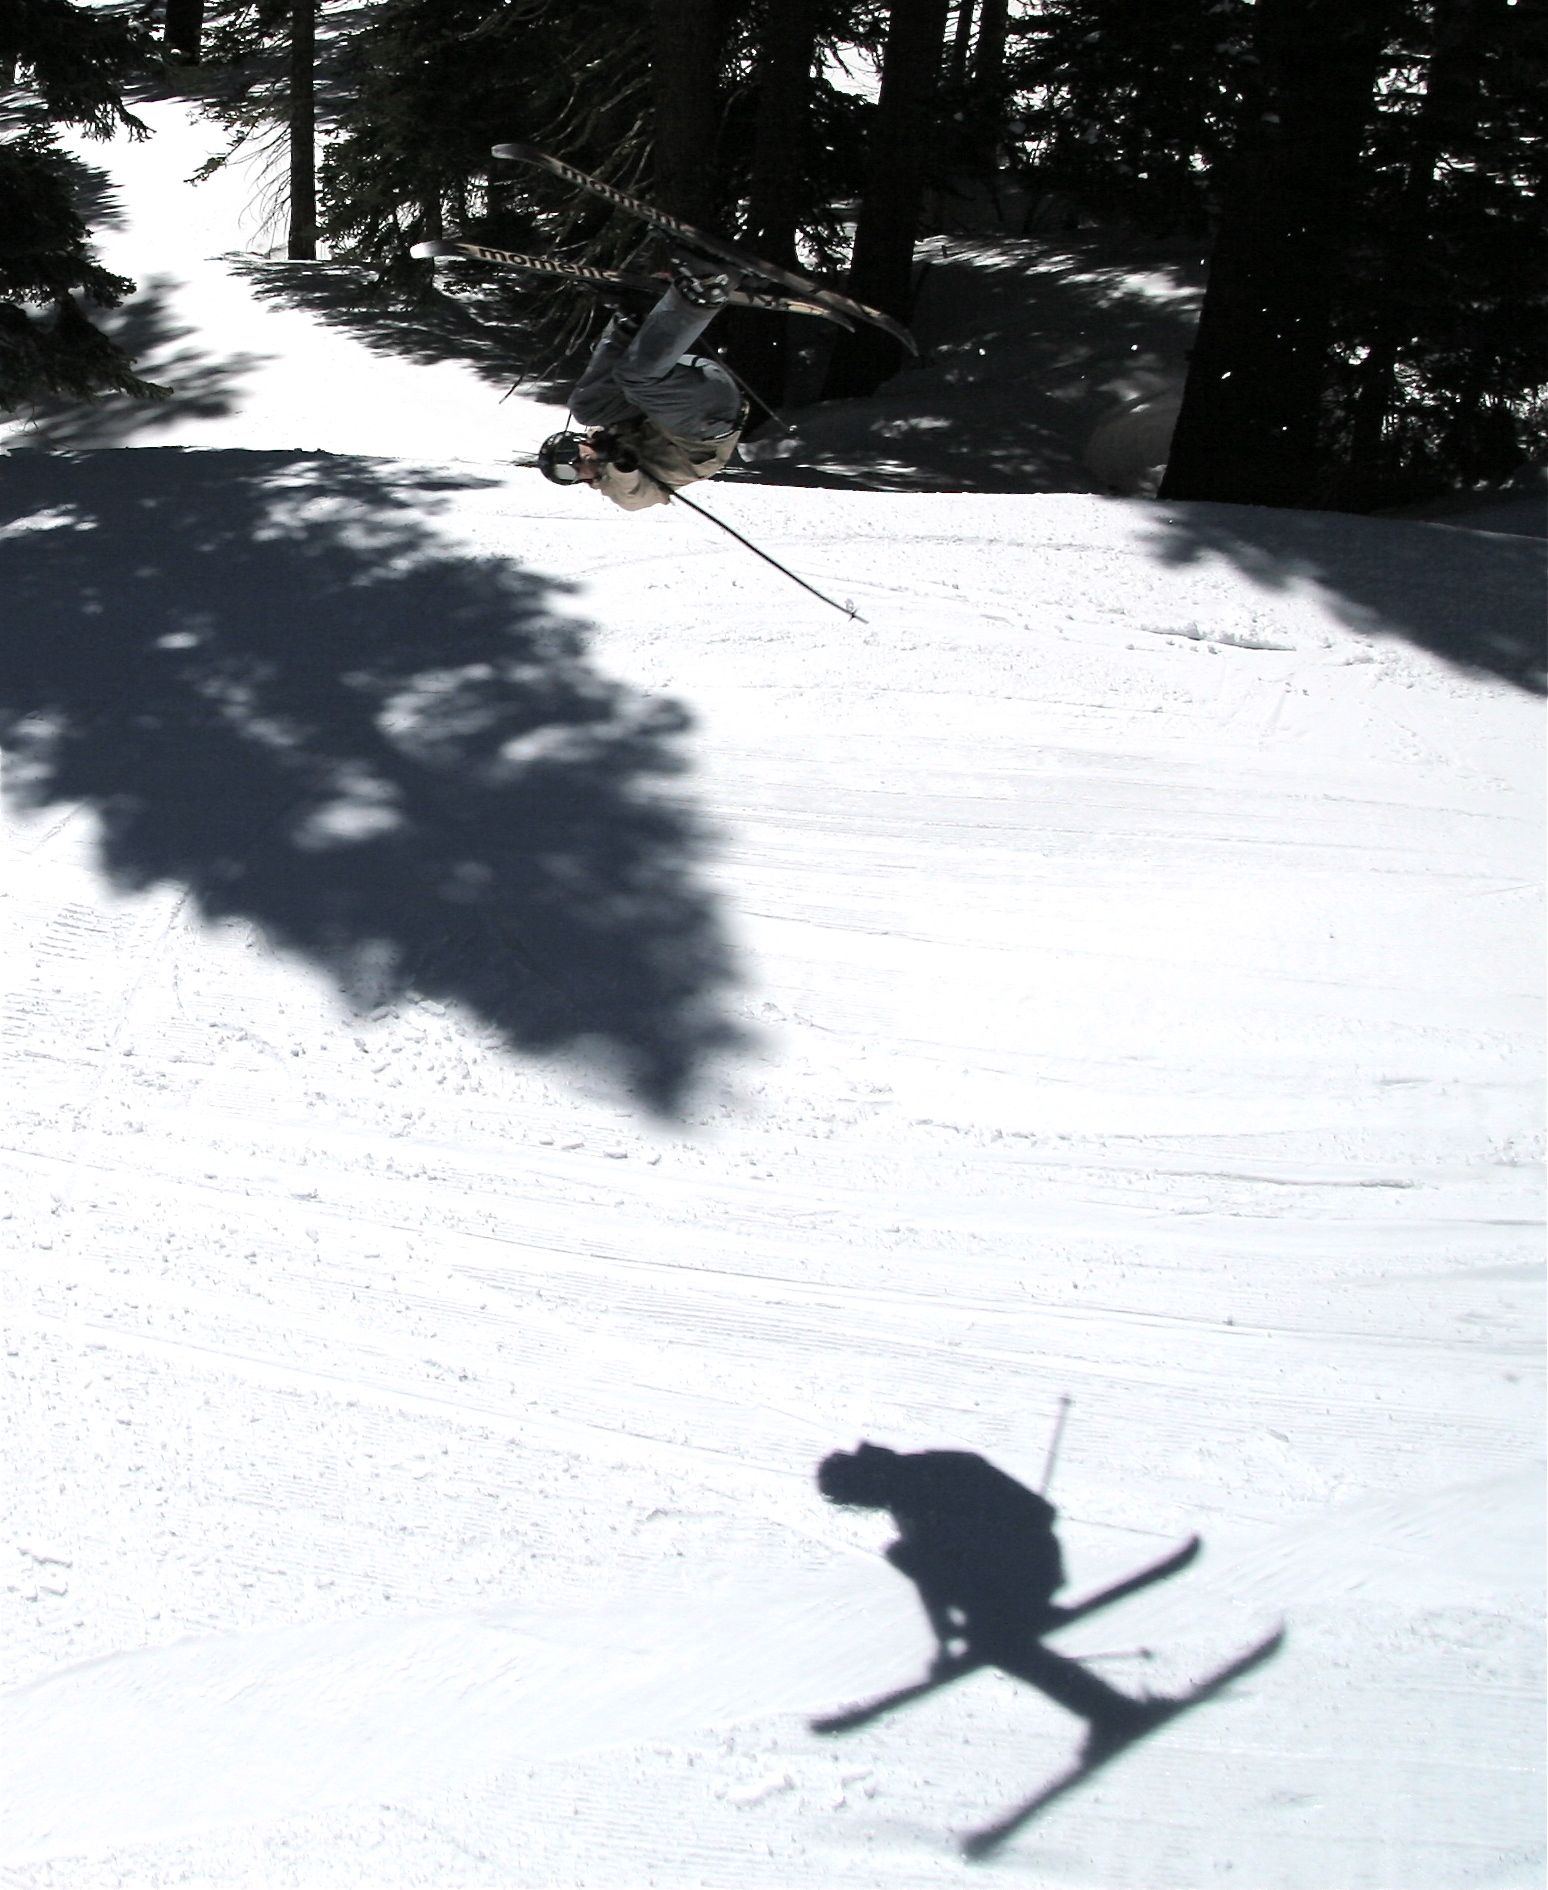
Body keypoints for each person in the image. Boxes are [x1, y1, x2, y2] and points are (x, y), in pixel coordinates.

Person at [537, 264, 748, 511]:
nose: (575, 461)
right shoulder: (617, 489)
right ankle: (705, 294)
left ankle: (631, 318)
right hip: (706, 423)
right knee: (634, 378)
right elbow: (633, 493)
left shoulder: (610, 430)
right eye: (566, 472)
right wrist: (621, 466)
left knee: (585, 408)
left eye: (567, 451)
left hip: (690, 383)